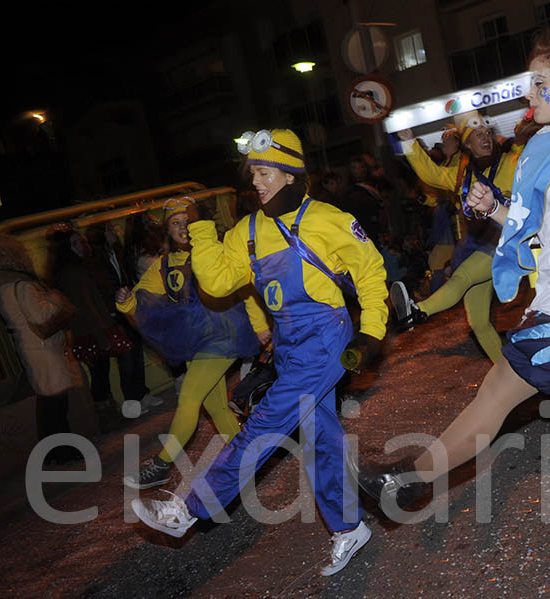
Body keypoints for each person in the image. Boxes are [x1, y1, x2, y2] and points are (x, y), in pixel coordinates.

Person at [352, 23, 550, 599]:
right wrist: (500, 212)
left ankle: (408, 482)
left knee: (497, 392)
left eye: (539, 82)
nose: (529, 93)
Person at [129, 129, 387, 577]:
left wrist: (371, 333)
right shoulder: (248, 230)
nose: (258, 183)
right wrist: (202, 228)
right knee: (319, 438)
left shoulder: (327, 218)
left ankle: (187, 509)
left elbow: (370, 271)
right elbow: (216, 283)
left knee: (263, 426)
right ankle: (349, 527)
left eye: (265, 173)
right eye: (254, 174)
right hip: (289, 343)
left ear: (289, 175)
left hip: (326, 337)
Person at [116, 198, 268, 489]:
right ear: (167, 230)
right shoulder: (162, 265)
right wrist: (125, 301)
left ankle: (161, 464)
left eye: (187, 220)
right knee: (217, 408)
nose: (183, 227)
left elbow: (244, 286)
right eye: (175, 223)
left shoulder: (212, 250)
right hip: (193, 341)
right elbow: (140, 297)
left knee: (188, 399)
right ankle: (250, 459)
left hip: (223, 333)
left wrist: (260, 326)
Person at [390, 110, 522, 364]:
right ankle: (508, 373)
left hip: (509, 244)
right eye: (477, 135)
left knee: (461, 278)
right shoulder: (463, 174)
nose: (485, 139)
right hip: (479, 247)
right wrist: (408, 141)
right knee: (479, 322)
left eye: (487, 133)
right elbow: (430, 174)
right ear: (467, 144)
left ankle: (417, 311)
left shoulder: (513, 161)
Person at [0, 233, 85, 464]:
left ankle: (52, 453)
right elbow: (41, 316)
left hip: (30, 348)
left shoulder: (0, 286)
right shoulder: (22, 284)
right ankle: (64, 451)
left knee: (49, 402)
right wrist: (56, 299)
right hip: (45, 349)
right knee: (56, 404)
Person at [51, 225, 130, 433]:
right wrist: (102, 335)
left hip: (90, 330)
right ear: (68, 248)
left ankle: (109, 415)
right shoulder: (73, 273)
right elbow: (86, 307)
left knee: (101, 373)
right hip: (91, 331)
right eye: (75, 244)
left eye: (81, 242)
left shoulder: (74, 270)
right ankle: (106, 418)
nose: (81, 247)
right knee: (100, 375)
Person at [85, 221, 162, 415]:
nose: (115, 231)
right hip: (115, 313)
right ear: (101, 234)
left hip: (127, 307)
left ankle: (142, 394)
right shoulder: (97, 259)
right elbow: (105, 286)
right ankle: (133, 403)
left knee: (136, 352)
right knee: (126, 359)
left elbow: (124, 278)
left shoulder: (115, 253)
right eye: (109, 229)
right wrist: (119, 300)